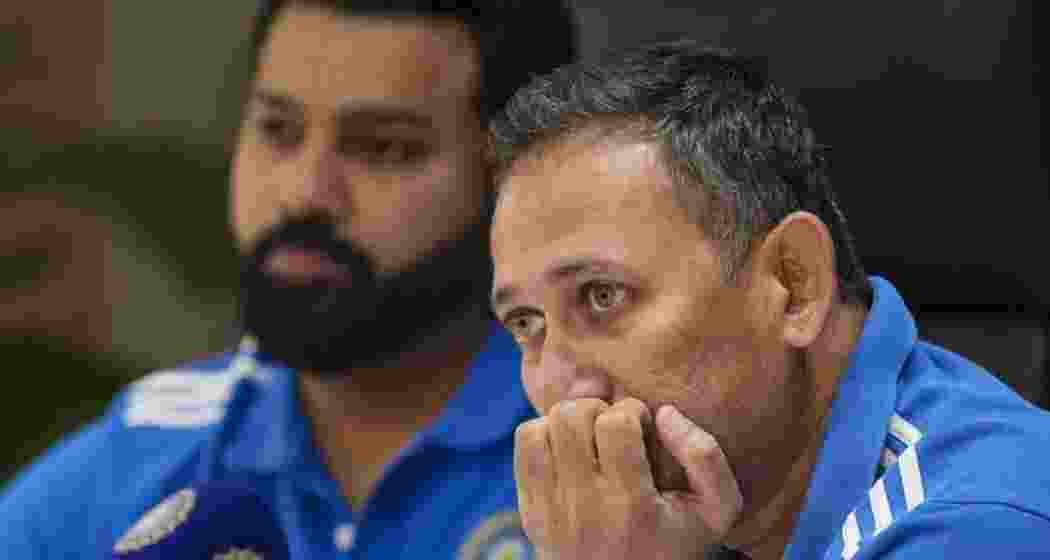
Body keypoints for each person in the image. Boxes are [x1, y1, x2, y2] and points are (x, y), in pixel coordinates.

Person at [0, 1, 577, 558]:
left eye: (382, 148)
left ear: (519, 179)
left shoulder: (616, 450)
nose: (305, 193)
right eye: (278, 130)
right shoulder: (130, 471)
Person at [486, 39, 1050, 560]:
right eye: (527, 322)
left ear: (794, 283)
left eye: (602, 296)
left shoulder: (972, 528)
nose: (563, 390)